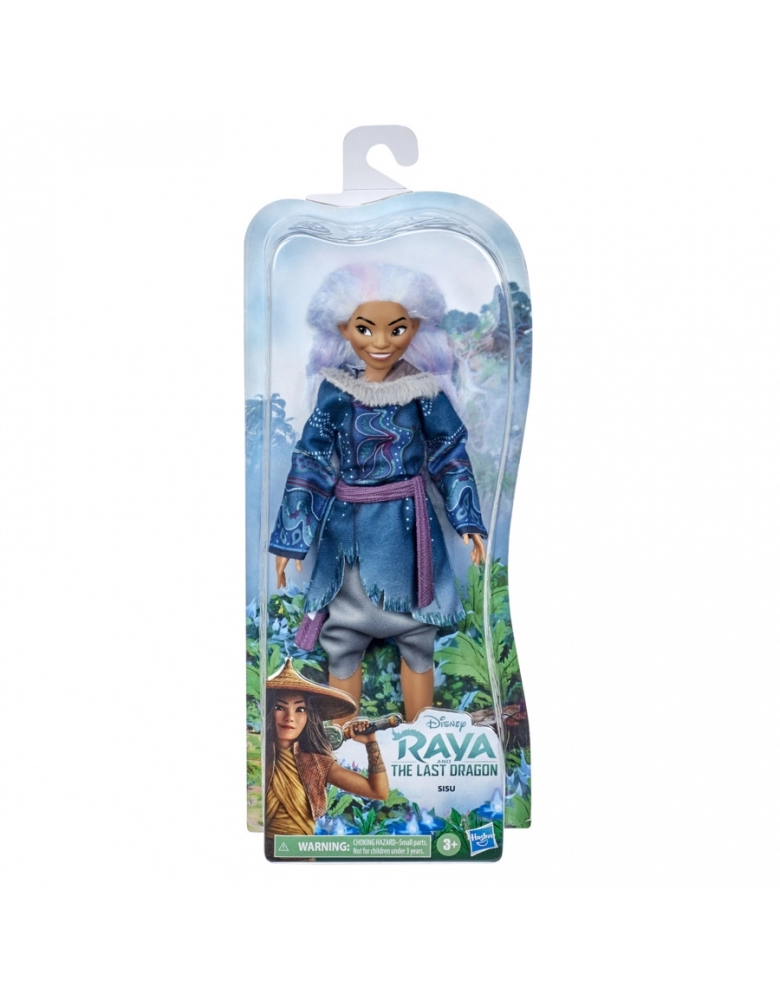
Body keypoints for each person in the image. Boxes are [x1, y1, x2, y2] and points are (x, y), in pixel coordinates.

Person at [269, 264, 487, 723]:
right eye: (366, 329)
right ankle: (341, 739)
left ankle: (422, 734)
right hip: (348, 533)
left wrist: (466, 519)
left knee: (417, 636)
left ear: (416, 328)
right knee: (344, 637)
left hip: (409, 533)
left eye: (397, 329)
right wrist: (291, 539)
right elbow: (311, 460)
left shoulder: (424, 393)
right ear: (343, 329)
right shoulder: (335, 393)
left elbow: (449, 455)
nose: (382, 342)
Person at [265, 659, 389, 859]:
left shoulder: (315, 763)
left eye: (300, 709)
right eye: (280, 707)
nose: (290, 717)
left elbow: (378, 792)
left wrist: (371, 744)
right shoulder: (255, 754)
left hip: (299, 857)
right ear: (268, 709)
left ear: (310, 716)